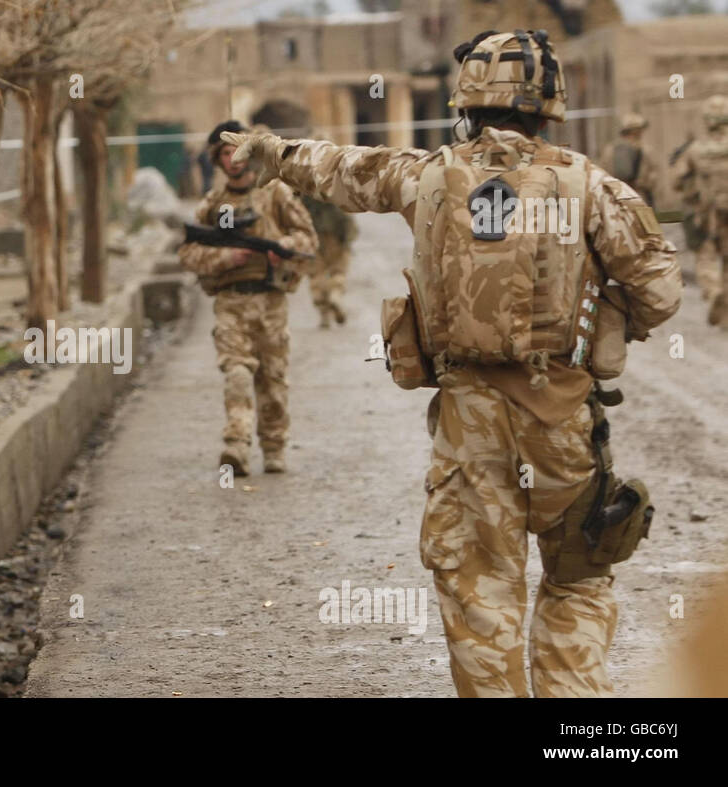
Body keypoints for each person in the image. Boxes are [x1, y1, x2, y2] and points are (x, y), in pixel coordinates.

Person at [225, 29, 681, 697]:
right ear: (548, 104)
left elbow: (340, 168)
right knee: (578, 580)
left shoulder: (426, 176)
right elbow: (663, 292)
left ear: (467, 102)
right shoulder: (593, 187)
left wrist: (271, 150)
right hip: (562, 428)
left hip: (469, 431)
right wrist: (612, 318)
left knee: (479, 594)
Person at [178, 119, 319, 476]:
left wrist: (283, 247)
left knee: (272, 379)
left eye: (239, 151)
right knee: (237, 372)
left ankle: (274, 447)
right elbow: (189, 253)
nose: (234, 159)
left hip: (270, 301)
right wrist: (226, 258)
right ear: (217, 159)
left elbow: (308, 241)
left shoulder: (275, 195)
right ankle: (236, 445)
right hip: (230, 301)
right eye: (226, 153)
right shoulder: (212, 204)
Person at [672, 94, 728, 325]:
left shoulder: (695, 149)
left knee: (705, 258)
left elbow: (676, 180)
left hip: (706, 214)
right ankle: (725, 316)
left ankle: (714, 293)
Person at [302, 194, 357, 329]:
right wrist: (347, 240)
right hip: (336, 236)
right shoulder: (332, 186)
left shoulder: (304, 190)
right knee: (338, 271)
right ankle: (335, 295)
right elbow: (348, 221)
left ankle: (324, 315)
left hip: (312, 236)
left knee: (316, 275)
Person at [599, 112, 657, 205]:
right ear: (636, 130)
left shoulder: (610, 149)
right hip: (639, 195)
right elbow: (652, 177)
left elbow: (603, 174)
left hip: (617, 196)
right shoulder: (645, 149)